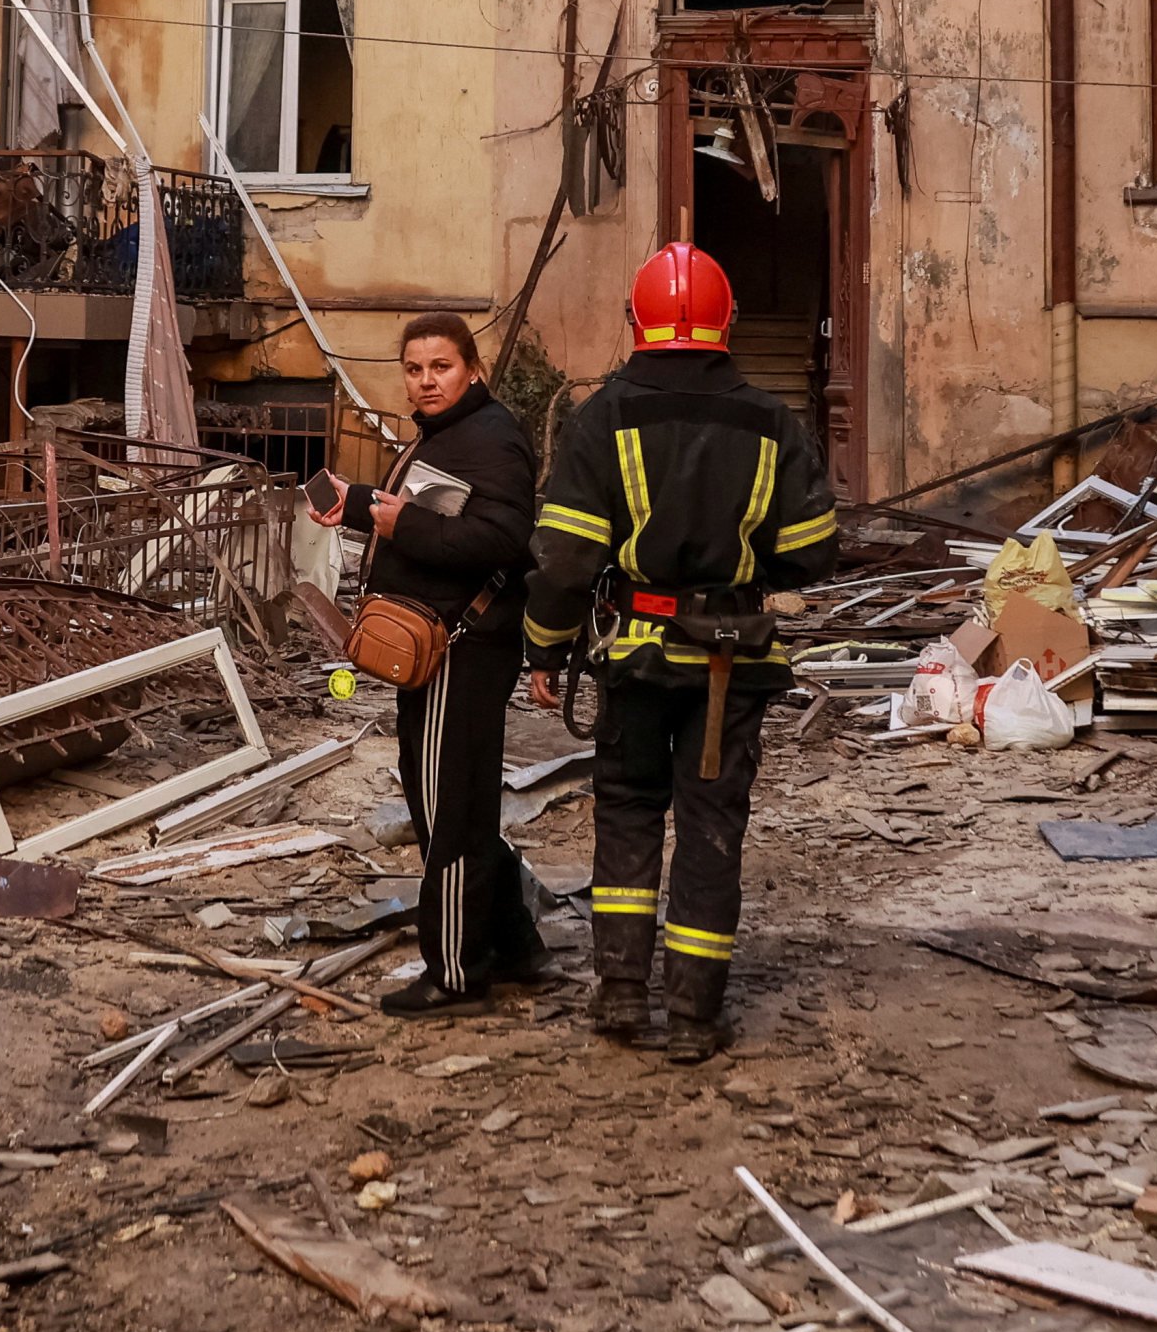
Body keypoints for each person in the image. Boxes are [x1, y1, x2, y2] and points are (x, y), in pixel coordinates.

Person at [520, 242, 841, 1061]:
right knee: (710, 825)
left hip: (634, 658)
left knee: (627, 814)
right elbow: (809, 555)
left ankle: (621, 995)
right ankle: (695, 1014)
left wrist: (545, 650)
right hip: (730, 662)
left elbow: (562, 561)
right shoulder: (773, 424)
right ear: (727, 321)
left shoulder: (602, 419)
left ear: (634, 321)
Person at [355, 312, 547, 1014]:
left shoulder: (491, 437)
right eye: (413, 369)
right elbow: (437, 522)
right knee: (451, 802)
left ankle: (458, 974)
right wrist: (358, 510)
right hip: (435, 647)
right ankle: (517, 946)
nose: (426, 381)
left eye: (439, 367)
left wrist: (400, 522)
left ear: (471, 367)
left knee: (449, 814)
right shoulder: (445, 436)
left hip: (461, 649)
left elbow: (502, 537)